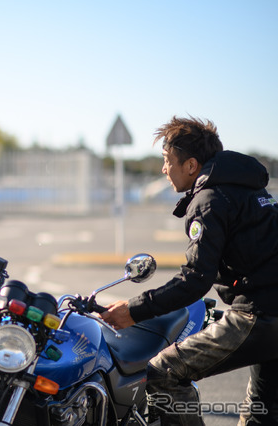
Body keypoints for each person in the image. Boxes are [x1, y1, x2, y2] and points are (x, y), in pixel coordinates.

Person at [101, 116, 278, 426]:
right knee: (262, 410)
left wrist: (133, 310)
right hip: (269, 312)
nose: (164, 169)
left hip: (258, 315)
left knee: (164, 371)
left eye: (168, 161)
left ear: (191, 165)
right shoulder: (249, 191)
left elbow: (196, 278)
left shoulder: (209, 200)